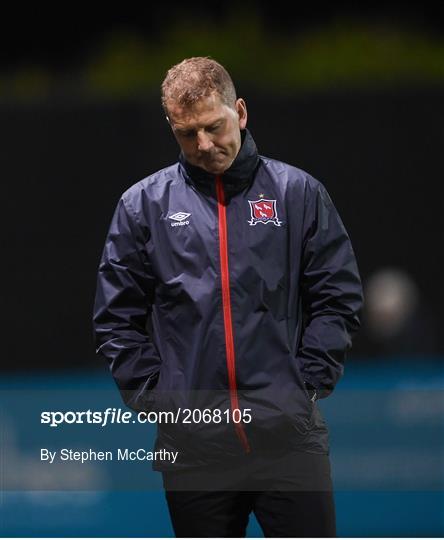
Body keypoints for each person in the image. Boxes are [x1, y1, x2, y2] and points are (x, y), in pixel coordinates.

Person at [93, 56, 363, 537]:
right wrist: (160, 400)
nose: (203, 145)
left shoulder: (297, 193)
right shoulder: (142, 206)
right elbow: (116, 318)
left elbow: (336, 295)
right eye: (186, 133)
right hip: (195, 449)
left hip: (289, 441)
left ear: (239, 111)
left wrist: (306, 385)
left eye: (213, 127)